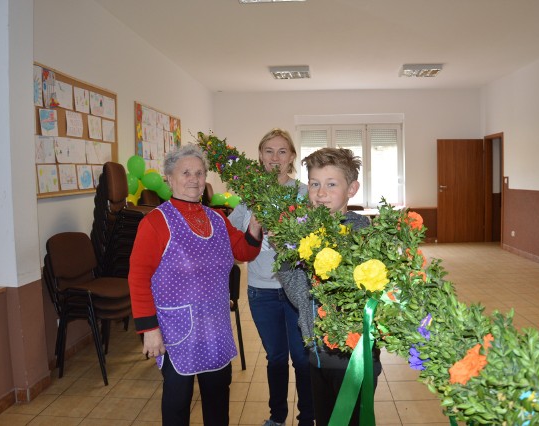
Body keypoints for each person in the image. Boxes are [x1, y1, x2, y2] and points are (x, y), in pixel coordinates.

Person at [128, 144, 263, 426]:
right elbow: (138, 278)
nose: (194, 179)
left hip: (215, 327)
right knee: (178, 403)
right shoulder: (155, 222)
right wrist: (149, 330)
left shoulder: (216, 218)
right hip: (177, 330)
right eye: (186, 172)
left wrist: (254, 228)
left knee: (218, 398)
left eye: (199, 173)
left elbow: (244, 252)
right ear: (168, 177)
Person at [277, 147, 382, 426]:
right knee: (324, 419)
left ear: (352, 189)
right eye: (314, 184)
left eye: (331, 184)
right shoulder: (303, 233)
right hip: (317, 355)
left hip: (356, 357)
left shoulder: (364, 235)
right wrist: (286, 257)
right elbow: (298, 296)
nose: (321, 193)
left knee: (354, 419)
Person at [228, 129, 314, 426]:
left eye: (281, 151)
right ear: (260, 156)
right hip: (260, 291)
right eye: (268, 151)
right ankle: (277, 417)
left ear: (292, 156)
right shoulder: (248, 195)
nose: (275, 157)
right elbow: (234, 245)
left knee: (302, 359)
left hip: (297, 290)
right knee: (276, 358)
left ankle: (307, 418)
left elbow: (316, 241)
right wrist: (252, 228)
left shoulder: (304, 193)